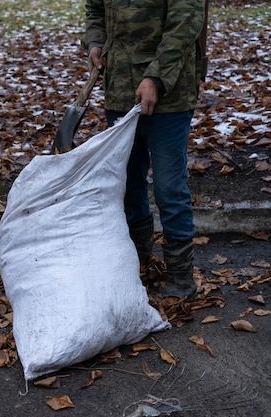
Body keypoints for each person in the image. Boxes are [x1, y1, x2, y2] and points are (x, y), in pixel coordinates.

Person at [81, 0, 206, 299]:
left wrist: (155, 77)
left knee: (169, 188)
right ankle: (136, 263)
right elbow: (95, 9)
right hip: (120, 92)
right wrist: (95, 42)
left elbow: (187, 19)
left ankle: (180, 278)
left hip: (169, 97)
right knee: (126, 184)